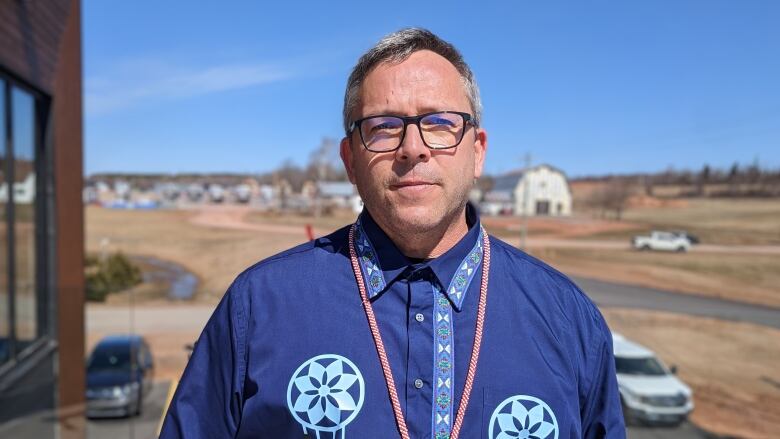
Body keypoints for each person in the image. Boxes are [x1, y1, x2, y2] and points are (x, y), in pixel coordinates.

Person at [159, 28, 625, 439]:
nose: (413, 148)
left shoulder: (570, 321)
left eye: (440, 124)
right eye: (384, 127)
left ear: (478, 151)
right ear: (349, 160)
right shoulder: (258, 307)